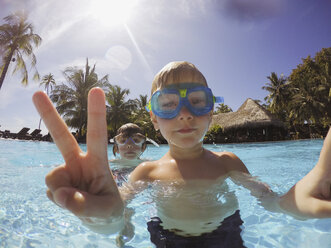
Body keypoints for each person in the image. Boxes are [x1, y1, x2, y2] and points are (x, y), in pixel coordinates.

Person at [33, 61, 331, 247]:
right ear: (153, 118)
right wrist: (106, 222)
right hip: (167, 238)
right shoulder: (146, 172)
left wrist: (290, 201)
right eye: (168, 104)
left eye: (198, 102)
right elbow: (118, 212)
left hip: (225, 234)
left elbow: (269, 202)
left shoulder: (227, 162)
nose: (185, 115)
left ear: (212, 111)